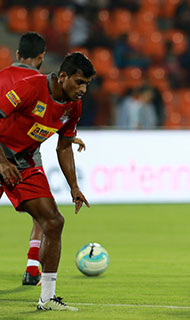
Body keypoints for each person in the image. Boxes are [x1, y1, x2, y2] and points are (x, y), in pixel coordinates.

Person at [0, 52, 95, 311]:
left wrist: (74, 186)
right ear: (62, 76)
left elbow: (63, 148)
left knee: (53, 222)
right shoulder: (30, 87)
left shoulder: (73, 106)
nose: (83, 89)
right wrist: (1, 161)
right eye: (79, 82)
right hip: (0, 155)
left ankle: (47, 298)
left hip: (23, 164)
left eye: (86, 83)